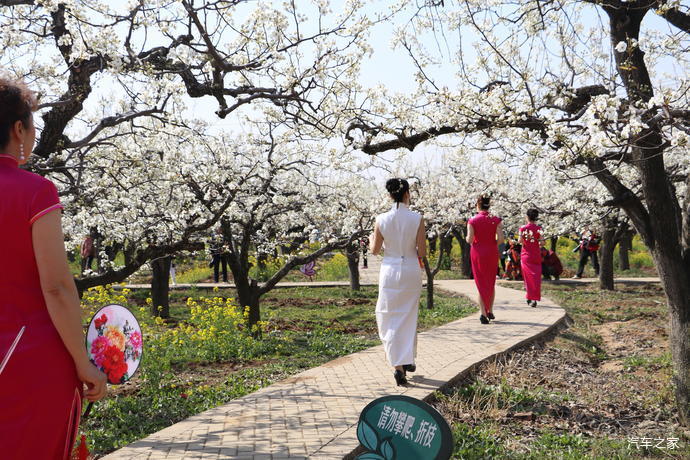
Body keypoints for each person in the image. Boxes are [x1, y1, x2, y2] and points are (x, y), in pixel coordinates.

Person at [0, 76, 107, 459]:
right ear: (18, 128)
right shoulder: (35, 191)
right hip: (29, 358)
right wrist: (84, 363)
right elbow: (57, 287)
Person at [370, 178, 426, 386]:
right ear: (406, 194)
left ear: (389, 194)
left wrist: (370, 241)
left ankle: (399, 365)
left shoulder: (381, 219)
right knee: (409, 315)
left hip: (390, 269)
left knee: (388, 316)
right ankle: (407, 358)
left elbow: (375, 250)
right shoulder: (417, 218)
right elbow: (422, 250)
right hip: (411, 268)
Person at [466, 195, 504, 324]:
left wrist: (470, 239)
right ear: (489, 205)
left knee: (481, 282)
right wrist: (492, 243)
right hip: (491, 251)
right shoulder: (496, 220)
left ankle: (483, 313)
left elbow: (470, 239)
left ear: (478, 205)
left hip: (477, 252)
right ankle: (490, 310)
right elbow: (501, 239)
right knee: (490, 281)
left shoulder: (472, 220)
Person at [519, 209, 543, 307]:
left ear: (527, 217)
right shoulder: (539, 228)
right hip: (536, 255)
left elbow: (520, 241)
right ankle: (534, 298)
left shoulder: (522, 228)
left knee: (527, 277)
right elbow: (542, 242)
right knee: (536, 277)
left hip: (526, 255)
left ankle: (529, 297)